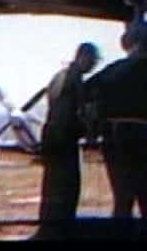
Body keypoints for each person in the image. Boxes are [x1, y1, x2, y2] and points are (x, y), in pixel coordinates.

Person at [86, 21, 147, 238]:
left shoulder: (111, 70)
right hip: (137, 135)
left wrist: (92, 129)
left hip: (111, 138)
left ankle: (120, 233)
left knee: (122, 194)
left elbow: (87, 91)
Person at [32, 42, 100, 240]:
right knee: (65, 187)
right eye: (92, 60)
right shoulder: (72, 79)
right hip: (61, 140)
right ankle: (56, 231)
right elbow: (64, 114)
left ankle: (51, 228)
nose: (93, 65)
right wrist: (86, 130)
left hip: (55, 138)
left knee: (53, 187)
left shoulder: (62, 77)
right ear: (83, 57)